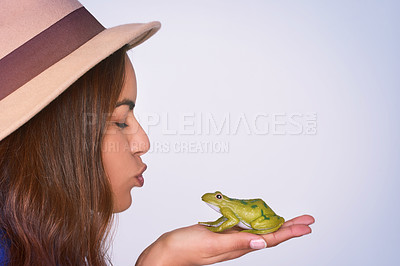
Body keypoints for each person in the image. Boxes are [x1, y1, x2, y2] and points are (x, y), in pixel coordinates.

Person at [0, 0, 315, 265]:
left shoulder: (37, 243)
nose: (143, 143)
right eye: (120, 121)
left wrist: (163, 255)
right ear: (51, 135)